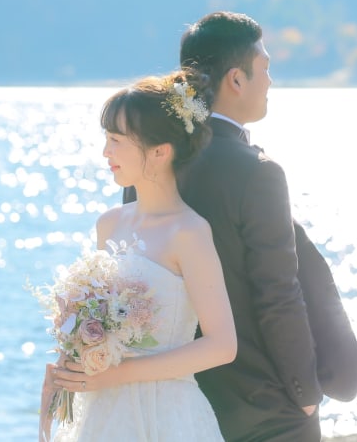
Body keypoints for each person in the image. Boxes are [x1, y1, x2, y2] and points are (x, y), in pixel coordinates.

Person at [125, 11, 357, 441]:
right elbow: (277, 293)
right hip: (265, 408)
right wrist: (305, 394)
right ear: (236, 79)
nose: (270, 80)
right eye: (265, 67)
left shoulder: (149, 163)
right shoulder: (256, 172)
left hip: (175, 401)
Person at [42, 71, 237, 441]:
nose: (106, 152)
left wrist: (116, 375)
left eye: (116, 140)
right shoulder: (109, 224)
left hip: (166, 414)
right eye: (106, 139)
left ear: (160, 151)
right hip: (103, 411)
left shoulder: (189, 232)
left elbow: (222, 346)